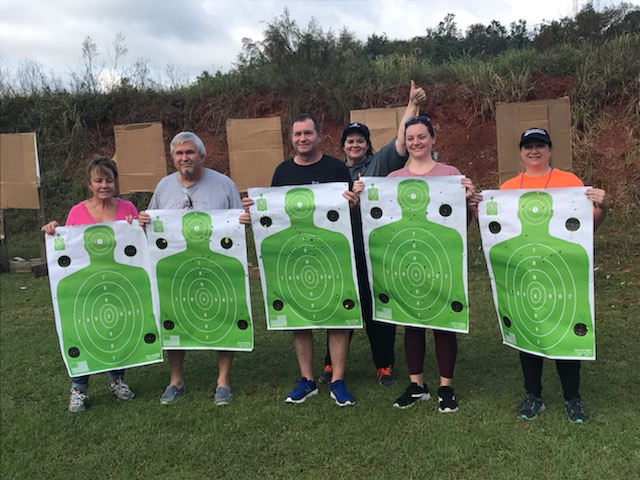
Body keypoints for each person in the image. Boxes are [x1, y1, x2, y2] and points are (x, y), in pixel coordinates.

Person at [241, 114, 361, 406]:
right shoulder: (282, 172)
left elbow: (349, 210)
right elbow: (275, 214)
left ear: (319, 136)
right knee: (299, 317)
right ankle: (307, 379)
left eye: (308, 133)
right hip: (294, 254)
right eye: (297, 134)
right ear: (291, 138)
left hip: (332, 254)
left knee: (338, 317)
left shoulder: (336, 168)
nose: (302, 139)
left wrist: (354, 204)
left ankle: (337, 380)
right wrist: (254, 210)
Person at [319, 81, 428, 387]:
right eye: (350, 141)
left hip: (374, 250)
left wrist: (412, 105)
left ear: (368, 145)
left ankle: (384, 364)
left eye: (360, 141)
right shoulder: (333, 172)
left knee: (377, 307)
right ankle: (330, 363)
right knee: (339, 304)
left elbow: (401, 141)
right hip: (340, 251)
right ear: (343, 145)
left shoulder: (378, 165)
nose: (355, 145)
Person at [498, 127, 608, 423]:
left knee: (565, 330)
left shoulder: (569, 183)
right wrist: (475, 209)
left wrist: (603, 206)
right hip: (524, 274)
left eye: (540, 145)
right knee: (528, 330)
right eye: (528, 146)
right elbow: (498, 233)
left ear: (550, 149)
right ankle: (533, 395)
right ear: (521, 152)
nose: (534, 151)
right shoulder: (508, 188)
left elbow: (588, 227)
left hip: (562, 272)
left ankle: (572, 397)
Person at [371, 115, 476, 413]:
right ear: (405, 143)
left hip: (440, 259)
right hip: (406, 260)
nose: (416, 142)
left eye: (421, 136)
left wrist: (468, 201)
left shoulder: (450, 174)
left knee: (443, 323)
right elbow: (379, 221)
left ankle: (445, 387)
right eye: (410, 138)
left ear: (432, 139)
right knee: (412, 323)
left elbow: (463, 224)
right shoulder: (393, 180)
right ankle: (417, 385)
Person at [138, 131, 243, 406]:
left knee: (223, 314)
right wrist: (144, 221)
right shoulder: (163, 186)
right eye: (179, 153)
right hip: (175, 267)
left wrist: (244, 219)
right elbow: (151, 221)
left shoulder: (224, 184)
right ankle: (176, 380)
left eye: (190, 152)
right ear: (173, 158)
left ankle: (223, 381)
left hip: (217, 264)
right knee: (173, 316)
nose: (184, 158)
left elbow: (239, 221)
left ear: (201, 155)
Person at [42, 155, 138, 413]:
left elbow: (140, 243)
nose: (104, 185)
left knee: (117, 330)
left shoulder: (128, 208)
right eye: (99, 180)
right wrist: (53, 230)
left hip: (119, 283)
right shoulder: (77, 212)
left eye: (109, 180)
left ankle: (117, 381)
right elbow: (67, 245)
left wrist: (139, 225)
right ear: (89, 184)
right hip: (86, 286)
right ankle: (78, 389)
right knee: (84, 332)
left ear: (115, 182)